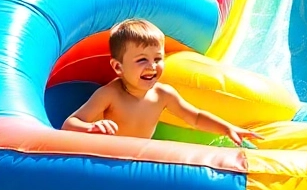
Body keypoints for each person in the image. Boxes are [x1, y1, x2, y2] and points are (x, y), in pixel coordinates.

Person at [62, 18, 262, 145]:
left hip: (140, 160)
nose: (152, 66)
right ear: (118, 67)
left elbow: (195, 117)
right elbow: (69, 124)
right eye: (142, 60)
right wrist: (92, 128)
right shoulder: (109, 94)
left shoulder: (163, 95)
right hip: (109, 161)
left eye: (158, 59)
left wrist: (227, 128)